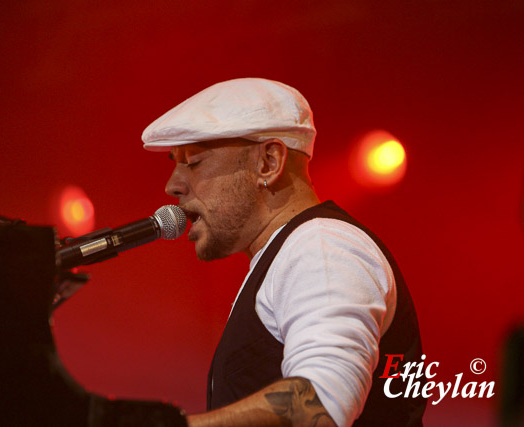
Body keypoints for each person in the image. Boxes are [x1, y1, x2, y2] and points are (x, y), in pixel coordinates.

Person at [142, 78, 425, 427]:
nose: (173, 185)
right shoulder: (293, 252)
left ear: (268, 162)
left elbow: (320, 402)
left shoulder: (321, 247)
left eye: (193, 161)